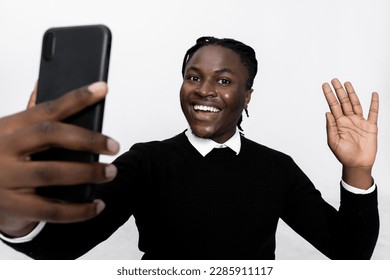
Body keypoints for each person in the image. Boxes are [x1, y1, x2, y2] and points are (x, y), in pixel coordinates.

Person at [0, 37, 379, 260]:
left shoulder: (276, 168)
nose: (204, 89)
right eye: (193, 77)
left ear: (247, 97)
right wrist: (12, 210)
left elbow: (349, 252)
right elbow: (59, 247)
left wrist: (358, 171)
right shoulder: (146, 162)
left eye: (224, 79)